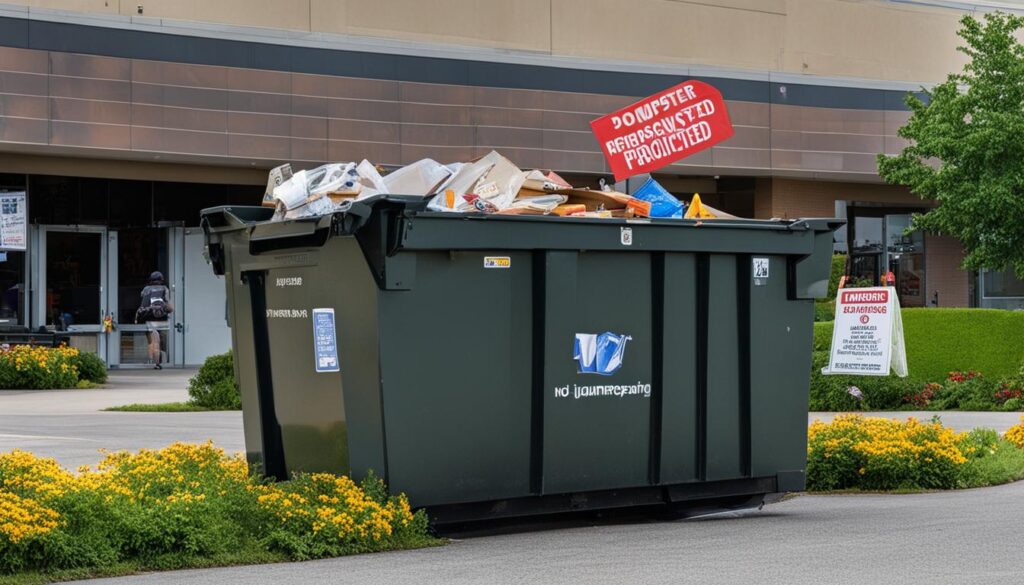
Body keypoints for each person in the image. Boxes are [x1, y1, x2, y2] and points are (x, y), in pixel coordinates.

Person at [136, 271, 172, 370]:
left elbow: (143, 300)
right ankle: (157, 363)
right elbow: (169, 305)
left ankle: (152, 361)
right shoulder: (165, 289)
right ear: (161, 280)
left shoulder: (146, 289)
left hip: (149, 319)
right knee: (158, 341)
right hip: (162, 319)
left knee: (151, 342)